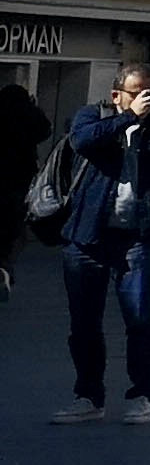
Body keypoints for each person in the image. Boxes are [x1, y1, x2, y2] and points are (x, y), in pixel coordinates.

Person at [49, 68, 150, 426]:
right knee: (84, 322)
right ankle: (88, 395)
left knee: (141, 320)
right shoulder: (95, 116)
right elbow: (82, 141)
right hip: (88, 234)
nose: (147, 98)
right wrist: (130, 118)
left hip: (139, 236)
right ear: (117, 95)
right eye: (138, 92)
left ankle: (143, 395)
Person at [0, 77, 46, 302]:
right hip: (20, 182)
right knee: (14, 230)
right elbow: (44, 130)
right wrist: (32, 107)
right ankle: (5, 266)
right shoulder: (28, 118)